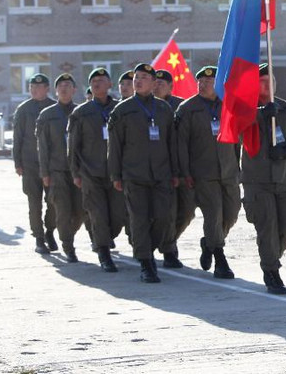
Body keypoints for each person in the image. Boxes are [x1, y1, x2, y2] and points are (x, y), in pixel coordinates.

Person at [242, 63, 286, 293]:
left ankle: (271, 254)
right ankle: (271, 270)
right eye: (261, 81)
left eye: (269, 81)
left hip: (283, 179)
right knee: (267, 226)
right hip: (257, 180)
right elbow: (236, 127)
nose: (266, 85)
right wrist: (260, 114)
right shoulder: (244, 109)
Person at [108, 63, 179, 283]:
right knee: (138, 219)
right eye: (136, 78)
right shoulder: (122, 110)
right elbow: (115, 146)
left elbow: (172, 143)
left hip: (161, 174)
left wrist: (176, 171)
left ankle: (152, 247)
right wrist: (116, 175)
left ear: (154, 83)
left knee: (163, 217)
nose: (138, 81)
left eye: (143, 78)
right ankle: (146, 262)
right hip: (134, 174)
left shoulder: (164, 109)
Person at [176, 66, 242, 279]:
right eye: (200, 81)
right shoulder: (188, 108)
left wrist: (237, 166)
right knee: (213, 214)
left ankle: (209, 243)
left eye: (209, 81)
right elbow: (181, 144)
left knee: (231, 213)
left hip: (229, 170)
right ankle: (220, 259)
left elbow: (236, 140)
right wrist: (185, 172)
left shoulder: (228, 106)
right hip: (203, 172)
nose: (203, 85)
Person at [68, 68, 126, 272]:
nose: (96, 84)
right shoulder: (81, 112)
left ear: (110, 85)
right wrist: (75, 172)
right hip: (90, 172)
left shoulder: (120, 110)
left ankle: (105, 240)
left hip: (115, 173)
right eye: (93, 81)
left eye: (101, 80)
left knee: (118, 216)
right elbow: (73, 146)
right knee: (98, 214)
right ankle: (103, 252)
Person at [36, 73, 83, 263]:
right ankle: (68, 245)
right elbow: (43, 146)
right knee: (62, 209)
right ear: (56, 91)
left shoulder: (81, 112)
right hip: (57, 171)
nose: (64, 88)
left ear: (74, 90)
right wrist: (45, 173)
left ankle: (65, 234)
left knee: (79, 211)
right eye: (60, 85)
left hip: (78, 171)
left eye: (68, 85)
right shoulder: (47, 115)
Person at [12, 73, 57, 254]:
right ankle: (39, 238)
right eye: (32, 87)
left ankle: (50, 231)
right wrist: (18, 162)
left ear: (47, 89)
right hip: (30, 163)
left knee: (54, 201)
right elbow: (17, 138)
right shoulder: (23, 109)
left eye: (39, 87)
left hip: (52, 165)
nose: (35, 90)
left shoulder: (54, 107)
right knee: (34, 202)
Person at [155, 69, 193, 267]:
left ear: (171, 86)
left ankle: (168, 240)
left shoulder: (182, 106)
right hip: (159, 168)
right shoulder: (147, 106)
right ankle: (168, 249)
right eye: (156, 82)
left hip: (183, 166)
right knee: (165, 211)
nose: (158, 86)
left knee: (186, 211)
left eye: (163, 83)